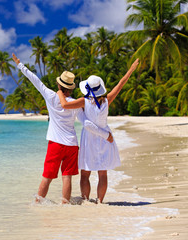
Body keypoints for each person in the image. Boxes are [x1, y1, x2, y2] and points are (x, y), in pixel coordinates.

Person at [12, 53, 112, 204]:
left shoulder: (51, 96)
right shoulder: (76, 104)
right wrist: (105, 134)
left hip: (56, 144)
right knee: (67, 177)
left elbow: (35, 80)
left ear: (59, 86)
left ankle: (38, 204)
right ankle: (65, 204)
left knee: (47, 176)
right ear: (70, 89)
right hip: (71, 145)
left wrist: (20, 65)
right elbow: (86, 123)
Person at [57, 59, 140, 203]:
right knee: (102, 174)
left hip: (89, 139)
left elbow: (64, 105)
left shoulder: (83, 101)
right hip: (105, 138)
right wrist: (131, 69)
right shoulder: (107, 100)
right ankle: (100, 201)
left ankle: (86, 200)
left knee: (85, 174)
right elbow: (121, 84)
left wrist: (59, 91)